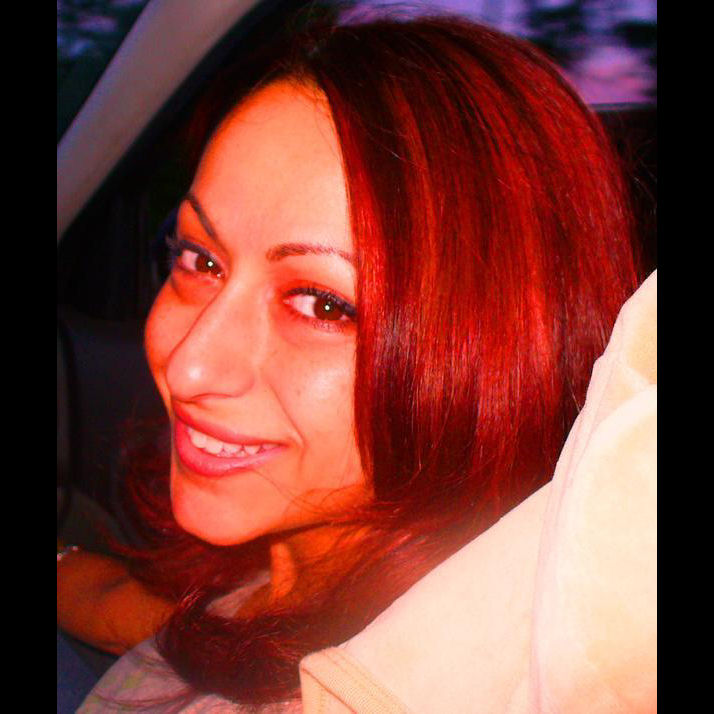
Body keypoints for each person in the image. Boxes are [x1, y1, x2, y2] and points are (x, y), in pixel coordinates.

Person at [57, 15, 641, 712]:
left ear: (500, 350)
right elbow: (176, 620)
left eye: (323, 304)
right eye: (200, 260)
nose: (188, 368)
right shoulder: (294, 581)